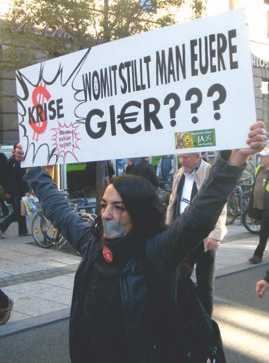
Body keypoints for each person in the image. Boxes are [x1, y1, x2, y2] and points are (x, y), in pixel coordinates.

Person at [15, 122, 266, 363]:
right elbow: (59, 209)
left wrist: (234, 160)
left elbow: (199, 216)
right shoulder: (93, 244)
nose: (106, 214)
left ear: (138, 212)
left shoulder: (157, 251)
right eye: (103, 205)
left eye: (118, 207)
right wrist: (33, 167)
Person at [166, 153, 227, 316]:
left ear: (197, 156)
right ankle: (185, 315)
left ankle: (206, 320)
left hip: (204, 236)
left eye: (185, 157)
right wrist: (168, 227)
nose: (182, 160)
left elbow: (220, 204)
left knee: (204, 283)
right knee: (178, 277)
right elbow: (173, 202)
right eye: (180, 157)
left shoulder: (210, 172)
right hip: (182, 234)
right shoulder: (180, 173)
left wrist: (216, 234)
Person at [0, 143, 29, 237]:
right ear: (15, 150)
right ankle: (2, 226)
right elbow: (6, 177)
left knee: (22, 210)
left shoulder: (22, 161)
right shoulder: (11, 161)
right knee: (17, 211)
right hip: (14, 191)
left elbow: (23, 177)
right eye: (18, 148)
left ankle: (23, 231)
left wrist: (27, 189)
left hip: (21, 190)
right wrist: (8, 191)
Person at [248, 147, 269, 264]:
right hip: (260, 206)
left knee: (264, 231)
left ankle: (258, 255)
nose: (261, 158)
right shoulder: (258, 169)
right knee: (264, 230)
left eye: (264, 156)